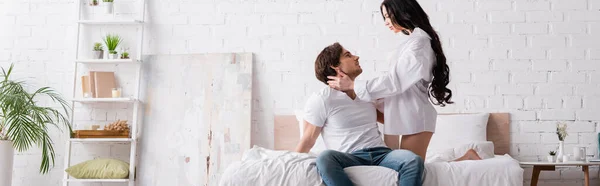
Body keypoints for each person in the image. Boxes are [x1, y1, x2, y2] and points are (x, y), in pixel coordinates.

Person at [326, 0, 452, 160]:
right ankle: (468, 157)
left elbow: (396, 81)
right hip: (410, 115)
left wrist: (353, 85)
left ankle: (468, 158)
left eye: (387, 16)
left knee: (411, 169)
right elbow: (397, 84)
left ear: (402, 11)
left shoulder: (419, 43)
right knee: (407, 169)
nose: (386, 23)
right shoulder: (412, 41)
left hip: (417, 116)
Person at [295, 42, 424, 186]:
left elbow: (391, 120)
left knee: (413, 160)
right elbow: (308, 140)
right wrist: (293, 164)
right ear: (335, 67)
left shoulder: (365, 92)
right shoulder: (323, 99)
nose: (356, 57)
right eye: (348, 55)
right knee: (325, 158)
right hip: (349, 156)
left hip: (382, 154)